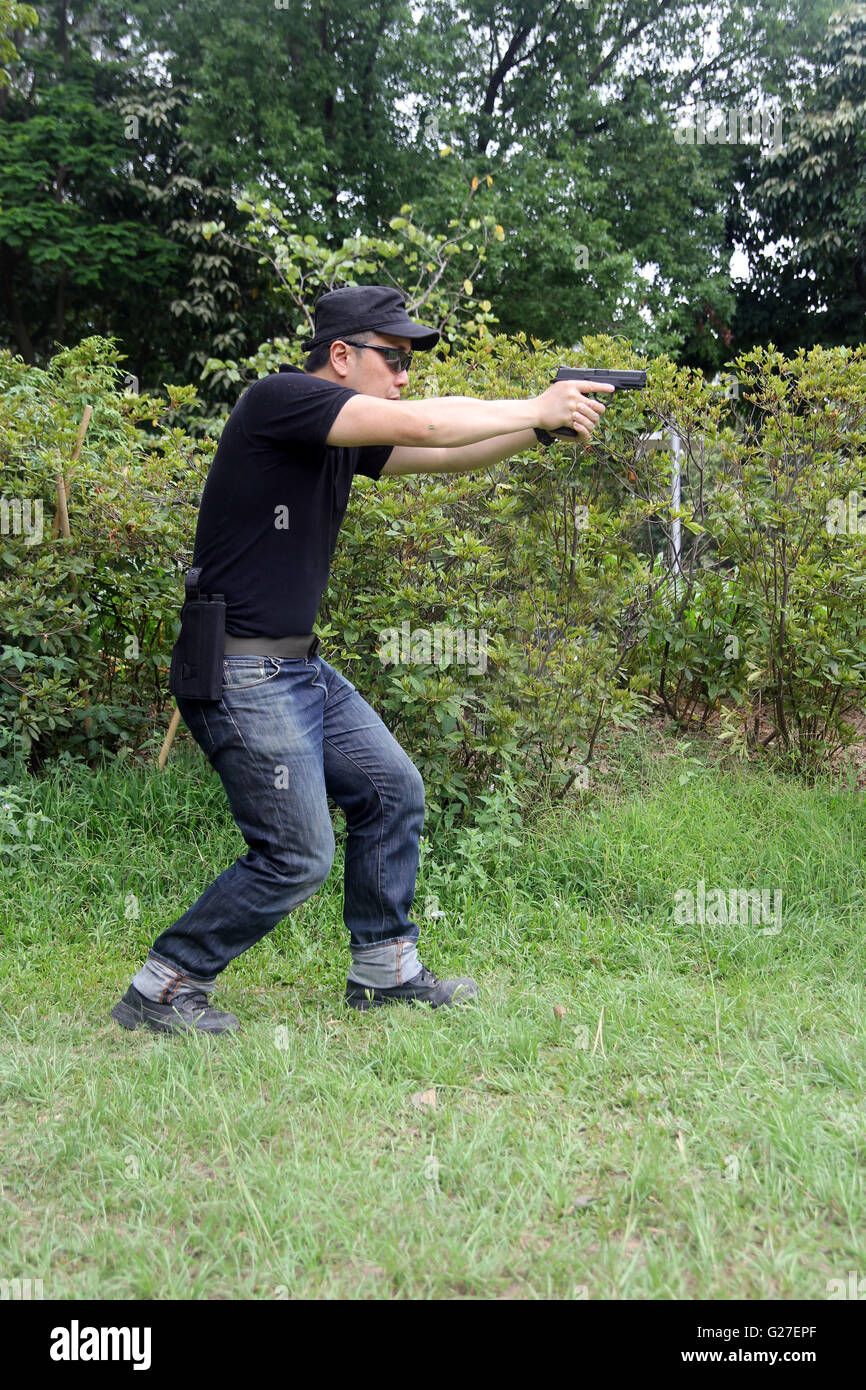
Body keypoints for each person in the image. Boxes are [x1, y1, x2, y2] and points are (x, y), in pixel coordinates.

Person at [110, 285, 611, 1035]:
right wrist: (534, 404)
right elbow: (429, 421)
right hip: (242, 672)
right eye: (395, 357)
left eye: (411, 361)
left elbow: (447, 451)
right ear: (340, 357)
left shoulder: (333, 435)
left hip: (296, 669)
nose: (406, 374)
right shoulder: (281, 400)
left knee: (391, 789)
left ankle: (384, 972)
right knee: (296, 854)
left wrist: (541, 430)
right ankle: (162, 986)